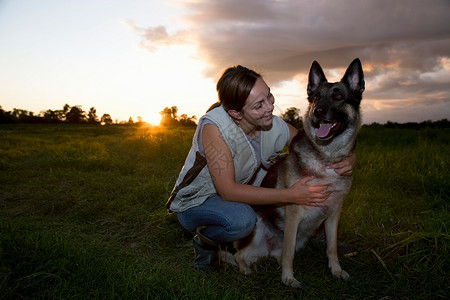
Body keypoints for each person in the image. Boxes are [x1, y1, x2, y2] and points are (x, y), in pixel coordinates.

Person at [166, 65, 356, 271]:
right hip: (198, 201)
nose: (269, 108)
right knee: (242, 220)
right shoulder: (214, 129)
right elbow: (228, 191)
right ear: (236, 113)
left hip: (238, 194)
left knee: (301, 177)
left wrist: (350, 157)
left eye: (269, 96)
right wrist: (291, 195)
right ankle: (207, 243)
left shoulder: (271, 124)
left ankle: (309, 235)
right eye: (258, 105)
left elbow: (309, 143)